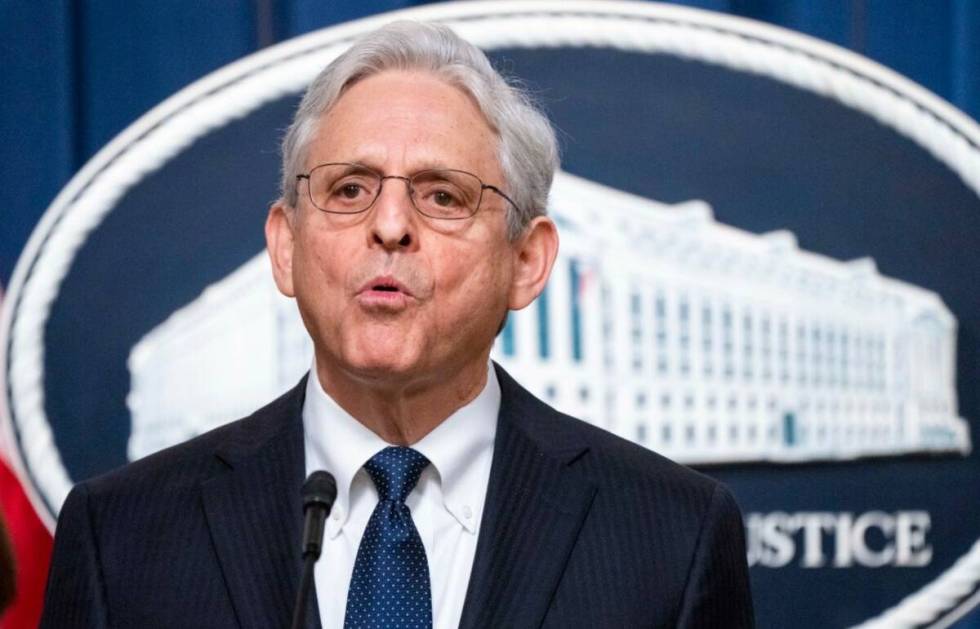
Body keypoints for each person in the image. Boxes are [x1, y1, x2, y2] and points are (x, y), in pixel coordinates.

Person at [40, 21, 754, 628]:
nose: (389, 226)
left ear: (527, 261)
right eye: (349, 189)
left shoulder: (672, 538)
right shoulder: (122, 538)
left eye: (442, 195)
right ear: (286, 247)